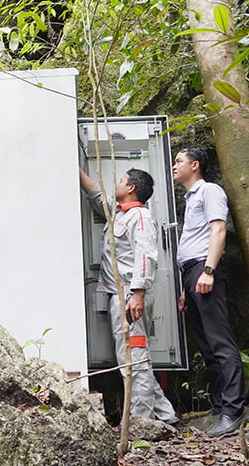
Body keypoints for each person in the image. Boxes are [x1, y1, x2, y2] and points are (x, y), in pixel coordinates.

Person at [80, 167, 178, 425]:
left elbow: (146, 256)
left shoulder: (141, 217)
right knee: (134, 356)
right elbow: (97, 195)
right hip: (121, 296)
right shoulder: (120, 215)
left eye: (122, 180)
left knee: (133, 358)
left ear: (132, 187)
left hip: (130, 297)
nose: (118, 183)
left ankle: (139, 421)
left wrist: (137, 294)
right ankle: (166, 417)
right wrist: (74, 169)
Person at [172, 146, 246, 437]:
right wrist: (185, 287)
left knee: (220, 341)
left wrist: (209, 271)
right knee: (205, 343)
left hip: (205, 269)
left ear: (196, 165)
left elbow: (218, 230)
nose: (174, 165)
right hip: (192, 273)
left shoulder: (209, 190)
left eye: (179, 161)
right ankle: (219, 405)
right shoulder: (190, 198)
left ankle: (233, 410)